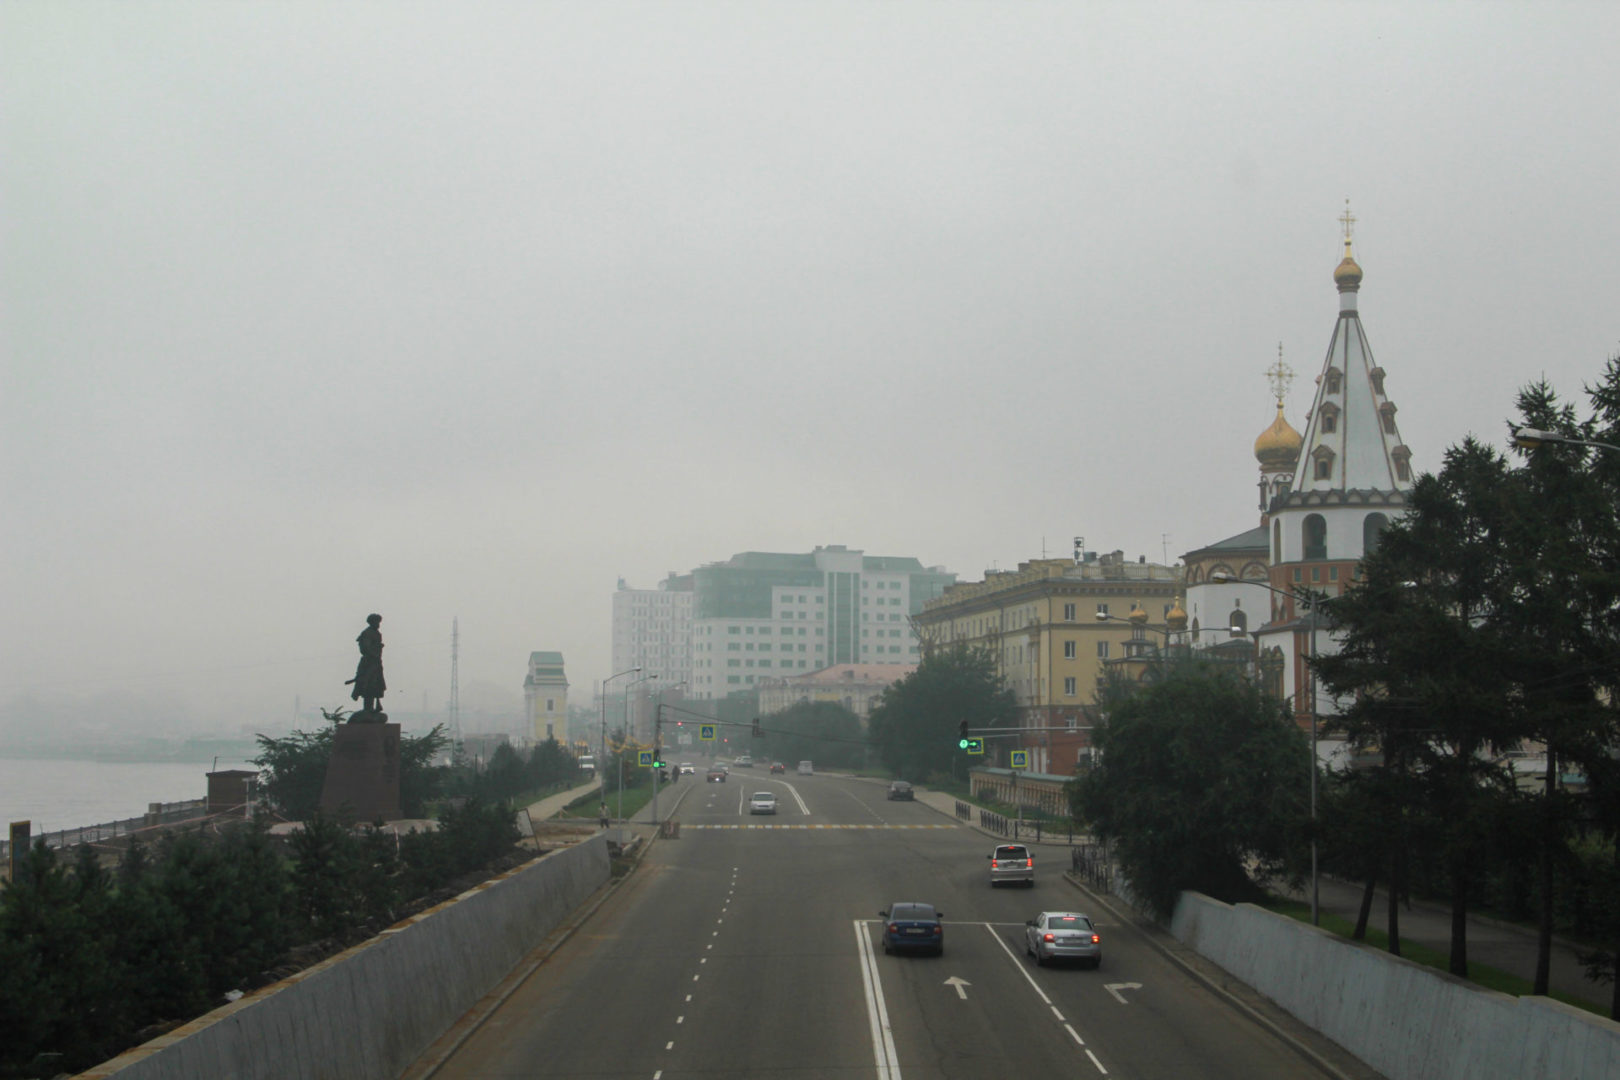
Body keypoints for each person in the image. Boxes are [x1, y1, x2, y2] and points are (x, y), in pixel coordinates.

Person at [347, 614, 386, 713]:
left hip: (376, 663)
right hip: (368, 663)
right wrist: (375, 651)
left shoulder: (377, 633)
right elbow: (365, 648)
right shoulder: (367, 633)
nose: (378, 624)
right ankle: (368, 708)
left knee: (376, 685)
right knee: (367, 685)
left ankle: (371, 708)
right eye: (376, 622)